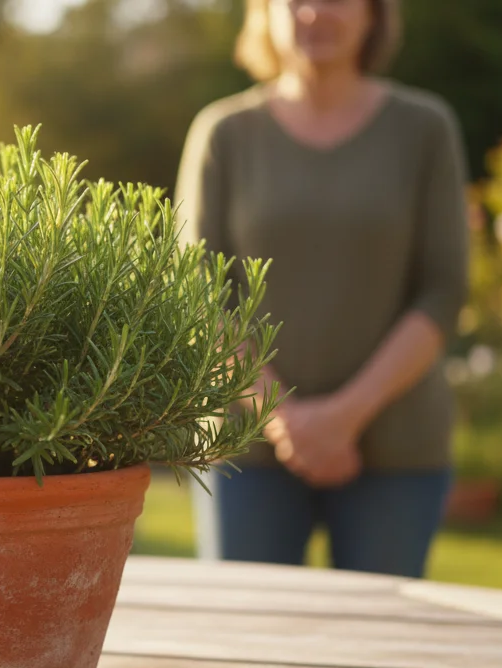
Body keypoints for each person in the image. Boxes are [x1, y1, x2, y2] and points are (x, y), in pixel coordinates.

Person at [175, 0, 468, 577]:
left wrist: (342, 418)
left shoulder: (424, 128)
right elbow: (198, 297)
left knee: (377, 653)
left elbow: (443, 290)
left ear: (374, 14)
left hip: (397, 448)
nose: (316, 12)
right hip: (246, 447)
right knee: (250, 654)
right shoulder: (223, 133)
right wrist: (282, 418)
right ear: (265, 13)